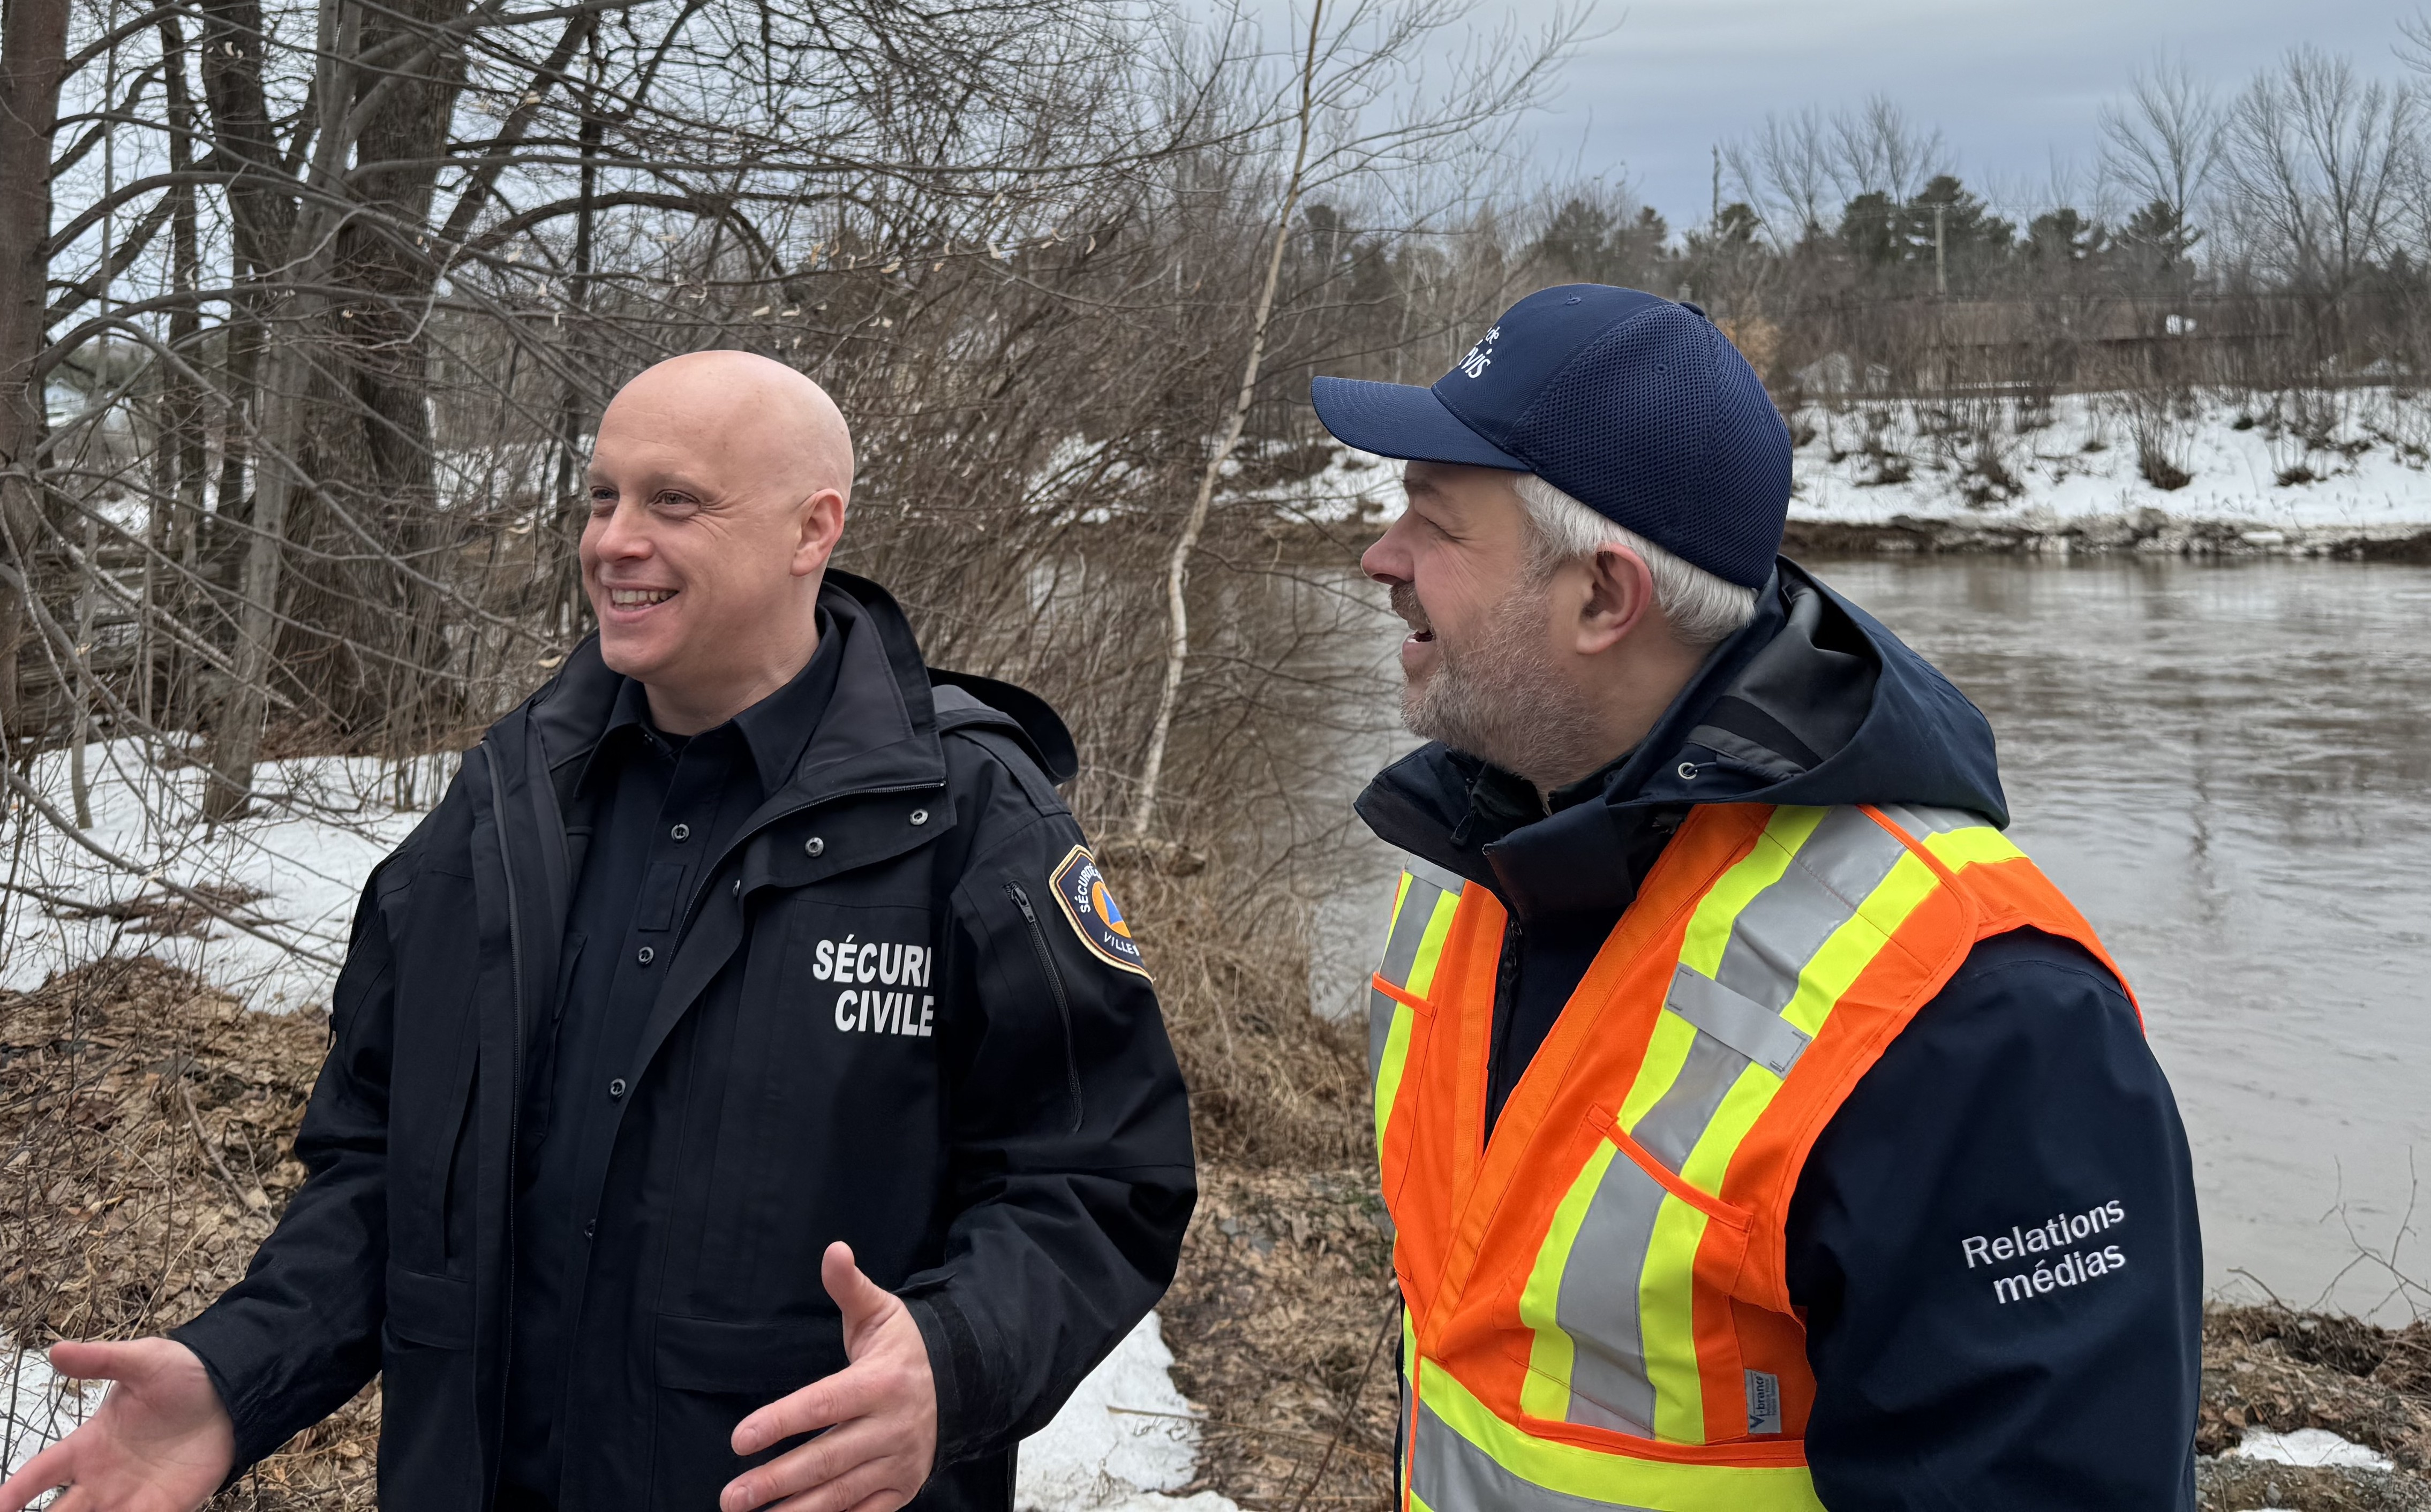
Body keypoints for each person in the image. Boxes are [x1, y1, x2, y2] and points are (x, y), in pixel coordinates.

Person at [2, 351, 1196, 1512]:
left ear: (810, 529)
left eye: (674, 500)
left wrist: (953, 1357)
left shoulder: (965, 817)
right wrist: (238, 1372)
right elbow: (385, 1165)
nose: (613, 539)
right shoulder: (503, 806)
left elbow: (1094, 1174)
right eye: (602, 495)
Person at [1313, 285, 2201, 1510]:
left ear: (1602, 598)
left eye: (1433, 518)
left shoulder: (1977, 1016)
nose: (1381, 556)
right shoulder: (1490, 853)